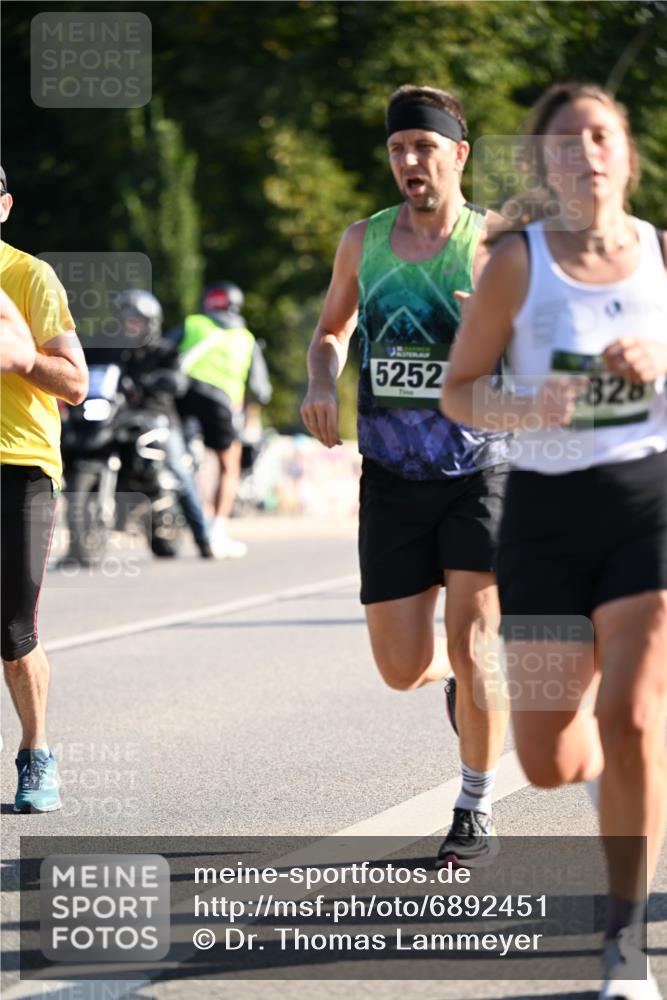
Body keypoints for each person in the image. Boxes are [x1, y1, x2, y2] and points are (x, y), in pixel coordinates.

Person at [441, 83, 667, 999]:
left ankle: (624, 940)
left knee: (634, 716)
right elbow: (459, 391)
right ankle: (617, 777)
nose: (586, 152)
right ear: (545, 164)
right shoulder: (515, 264)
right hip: (542, 520)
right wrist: (526, 401)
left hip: (645, 504)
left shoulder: (661, 257)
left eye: (600, 135)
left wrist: (659, 362)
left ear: (627, 153)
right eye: (566, 142)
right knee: (550, 761)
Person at [301, 85, 510, 867]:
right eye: (397, 148)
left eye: (423, 146)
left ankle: (473, 807)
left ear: (458, 153)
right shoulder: (364, 240)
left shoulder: (496, 242)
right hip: (390, 473)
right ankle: (457, 675)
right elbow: (331, 329)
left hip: (480, 467)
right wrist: (320, 381)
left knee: (477, 642)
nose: (408, 160)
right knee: (400, 670)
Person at [0, 165, 89, 812]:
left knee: (11, 632)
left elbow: (76, 383)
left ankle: (36, 752)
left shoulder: (29, 277)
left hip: (19, 467)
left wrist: (26, 358)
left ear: (3, 207)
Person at [168, 281, 272, 559]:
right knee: (229, 464)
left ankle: (194, 513)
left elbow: (164, 350)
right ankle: (217, 529)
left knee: (186, 457)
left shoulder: (192, 323)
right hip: (221, 403)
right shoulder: (246, 338)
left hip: (183, 396)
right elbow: (262, 389)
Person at [112, 289, 217, 560]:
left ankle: (204, 538)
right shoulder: (116, 353)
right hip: (120, 419)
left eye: (136, 321)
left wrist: (161, 381)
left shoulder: (165, 350)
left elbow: (178, 380)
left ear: (150, 323)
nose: (130, 326)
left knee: (178, 470)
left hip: (159, 421)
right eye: (126, 321)